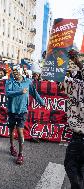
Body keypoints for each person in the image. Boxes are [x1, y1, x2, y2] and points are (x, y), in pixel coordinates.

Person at [5, 65, 45, 165]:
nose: (15, 73)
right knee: (11, 130)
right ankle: (11, 146)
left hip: (22, 111)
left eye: (16, 71)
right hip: (12, 110)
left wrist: (42, 102)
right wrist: (20, 92)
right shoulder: (10, 81)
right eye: (13, 72)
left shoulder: (28, 82)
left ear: (21, 71)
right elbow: (8, 93)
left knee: (20, 131)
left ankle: (21, 154)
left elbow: (34, 93)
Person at [61, 51, 84, 189]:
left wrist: (77, 62)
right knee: (79, 168)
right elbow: (61, 80)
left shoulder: (76, 86)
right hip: (77, 136)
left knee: (72, 165)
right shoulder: (76, 85)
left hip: (79, 137)